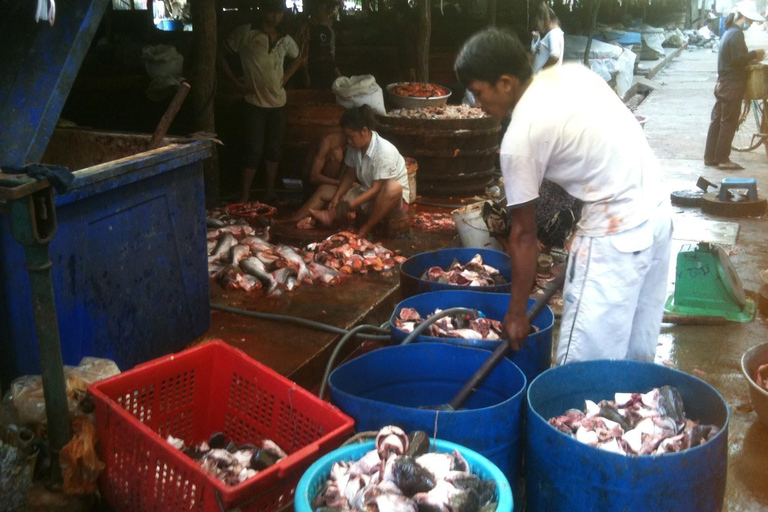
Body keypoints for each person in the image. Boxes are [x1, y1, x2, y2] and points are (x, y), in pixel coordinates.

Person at [455, 28, 672, 365]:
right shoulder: (571, 74)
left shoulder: (520, 137)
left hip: (615, 230)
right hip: (658, 212)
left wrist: (516, 314)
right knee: (634, 355)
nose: (479, 105)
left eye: (479, 93)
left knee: (583, 365)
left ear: (506, 82)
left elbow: (524, 236)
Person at [220, 0, 307, 203]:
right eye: (273, 12)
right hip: (254, 103)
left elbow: (299, 57)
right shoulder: (246, 33)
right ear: (262, 11)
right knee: (253, 149)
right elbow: (220, 56)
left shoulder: (285, 39)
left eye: (280, 13)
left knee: (274, 149)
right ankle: (245, 195)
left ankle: (269, 192)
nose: (277, 16)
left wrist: (286, 77)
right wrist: (236, 84)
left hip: (278, 103)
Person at [289, 105, 410, 239]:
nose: (348, 141)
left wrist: (348, 206)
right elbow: (349, 174)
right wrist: (337, 197)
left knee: (392, 187)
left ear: (364, 131)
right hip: (368, 193)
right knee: (324, 190)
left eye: (351, 137)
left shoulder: (384, 151)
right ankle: (292, 220)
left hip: (392, 202)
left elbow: (376, 189)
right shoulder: (355, 147)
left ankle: (366, 227)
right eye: (347, 137)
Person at [704, 7, 766, 170]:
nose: (750, 24)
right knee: (729, 122)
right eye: (749, 20)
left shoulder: (728, 32)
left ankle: (711, 157)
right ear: (741, 18)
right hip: (732, 84)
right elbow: (738, 59)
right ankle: (723, 159)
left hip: (723, 84)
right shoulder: (736, 34)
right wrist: (755, 54)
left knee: (717, 121)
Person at [297, 0, 341, 89]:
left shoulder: (329, 29)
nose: (330, 11)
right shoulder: (306, 29)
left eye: (331, 7)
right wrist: (305, 74)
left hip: (327, 71)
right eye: (326, 7)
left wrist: (335, 69)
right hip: (313, 73)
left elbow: (330, 51)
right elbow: (302, 55)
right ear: (316, 9)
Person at [530, 3, 564, 74]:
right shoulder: (551, 34)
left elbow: (555, 56)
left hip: (544, 81)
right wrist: (536, 39)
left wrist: (542, 72)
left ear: (544, 19)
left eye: (537, 21)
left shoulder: (553, 33)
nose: (537, 26)